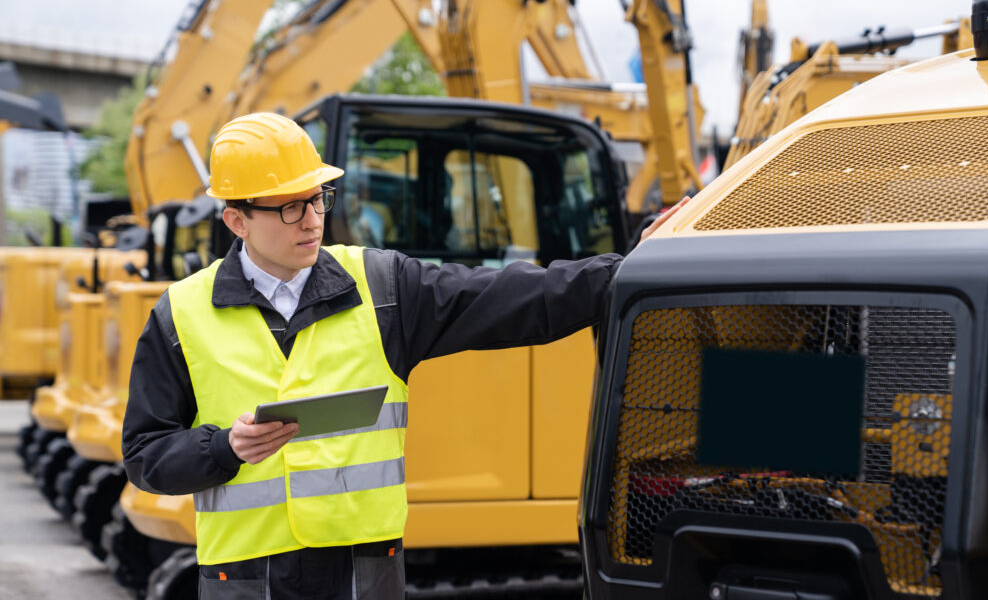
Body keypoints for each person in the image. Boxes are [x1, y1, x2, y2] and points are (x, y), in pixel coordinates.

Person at [122, 112, 684, 600]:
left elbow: (513, 298)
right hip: (243, 576)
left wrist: (627, 269)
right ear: (237, 220)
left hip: (364, 571)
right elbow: (145, 455)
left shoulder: (383, 285)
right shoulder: (181, 315)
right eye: (290, 208)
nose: (313, 220)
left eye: (318, 198)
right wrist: (224, 447)